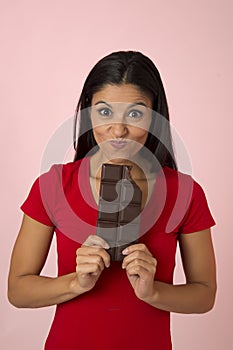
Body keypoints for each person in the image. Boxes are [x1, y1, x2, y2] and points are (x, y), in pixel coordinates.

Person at [8, 51, 217, 350]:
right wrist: (75, 283)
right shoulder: (53, 186)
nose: (118, 131)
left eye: (135, 114)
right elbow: (18, 290)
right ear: (87, 112)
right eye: (105, 112)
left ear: (155, 116)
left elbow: (205, 294)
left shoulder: (186, 192)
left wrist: (153, 292)